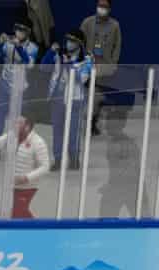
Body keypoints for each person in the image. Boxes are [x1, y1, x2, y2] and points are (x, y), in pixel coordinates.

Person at [0, 21, 39, 161]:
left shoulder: (32, 47)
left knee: (17, 120)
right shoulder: (9, 43)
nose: (19, 32)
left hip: (19, 88)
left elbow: (29, 64)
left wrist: (19, 47)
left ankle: (19, 150)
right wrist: (0, 44)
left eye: (22, 30)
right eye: (17, 29)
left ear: (28, 32)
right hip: (4, 84)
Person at [0, 115, 50, 218]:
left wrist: (26, 178)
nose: (15, 125)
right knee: (17, 213)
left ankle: (41, 231)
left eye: (19, 123)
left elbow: (45, 167)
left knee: (17, 213)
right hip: (12, 184)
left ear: (27, 126)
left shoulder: (38, 142)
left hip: (28, 186)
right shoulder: (12, 135)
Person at [41, 29, 94, 171]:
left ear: (79, 43)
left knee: (73, 132)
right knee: (57, 130)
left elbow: (82, 79)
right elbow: (43, 68)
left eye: (73, 41)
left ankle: (74, 159)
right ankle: (57, 160)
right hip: (57, 97)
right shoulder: (59, 54)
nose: (69, 43)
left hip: (75, 99)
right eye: (68, 40)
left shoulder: (87, 59)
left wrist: (69, 64)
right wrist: (51, 52)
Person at [81, 0, 122, 135]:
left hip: (105, 66)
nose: (101, 8)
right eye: (100, 6)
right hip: (88, 65)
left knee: (99, 97)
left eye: (104, 6)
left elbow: (117, 45)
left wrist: (114, 63)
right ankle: (86, 122)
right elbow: (80, 41)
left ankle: (92, 123)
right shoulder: (87, 22)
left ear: (109, 9)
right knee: (89, 95)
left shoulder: (115, 25)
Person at [98, 108, 149, 217]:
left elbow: (127, 171)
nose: (105, 126)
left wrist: (111, 186)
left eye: (107, 123)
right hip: (130, 186)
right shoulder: (122, 142)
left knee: (106, 214)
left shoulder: (118, 146)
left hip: (127, 187)